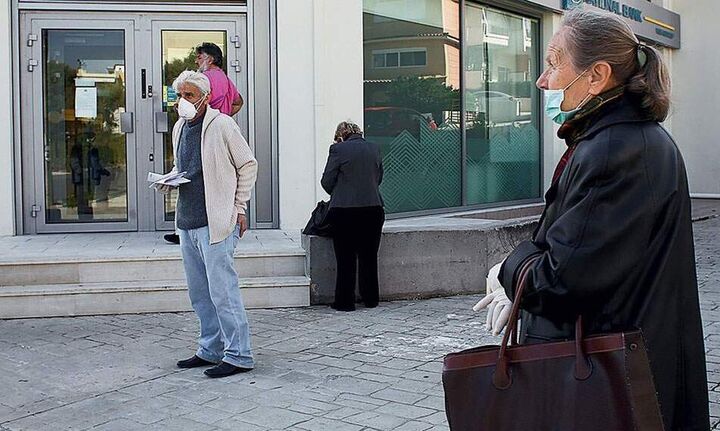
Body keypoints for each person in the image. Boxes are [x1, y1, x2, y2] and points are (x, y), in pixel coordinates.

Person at [473, 7, 709, 430]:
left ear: (597, 76)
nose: (543, 81)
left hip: (609, 386)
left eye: (553, 63)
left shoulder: (611, 151)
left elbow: (564, 278)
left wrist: (508, 272)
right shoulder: (628, 139)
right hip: (631, 370)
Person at [157, 71, 258, 378]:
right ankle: (210, 348)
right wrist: (169, 180)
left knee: (223, 291)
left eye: (188, 95)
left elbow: (248, 164)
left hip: (216, 222)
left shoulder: (223, 125)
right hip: (187, 222)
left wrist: (239, 207)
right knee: (200, 293)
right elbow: (185, 167)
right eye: (179, 96)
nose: (182, 102)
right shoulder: (179, 128)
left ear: (204, 97)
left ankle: (239, 354)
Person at [164, 42, 244, 245]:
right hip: (216, 127)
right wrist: (224, 115)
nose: (196, 61)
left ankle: (219, 226)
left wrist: (215, 120)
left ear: (211, 59)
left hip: (210, 132)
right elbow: (238, 101)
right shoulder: (226, 79)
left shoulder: (204, 79)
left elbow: (249, 165)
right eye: (180, 96)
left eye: (199, 57)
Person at [321, 121, 384, 311]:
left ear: (341, 135)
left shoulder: (338, 149)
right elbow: (379, 177)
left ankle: (345, 302)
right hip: (374, 209)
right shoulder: (374, 148)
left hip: (344, 210)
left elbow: (327, 181)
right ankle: (371, 299)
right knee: (369, 257)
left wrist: (342, 190)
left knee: (346, 258)